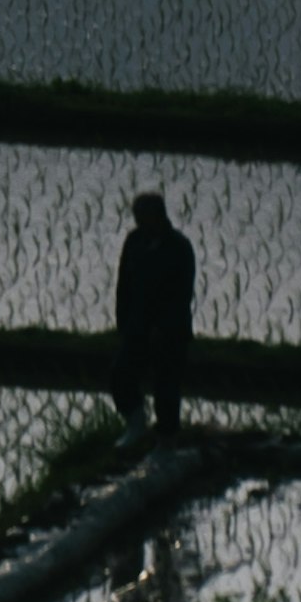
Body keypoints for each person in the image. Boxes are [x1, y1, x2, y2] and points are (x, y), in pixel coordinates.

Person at [113, 184, 196, 439]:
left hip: (170, 331)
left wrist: (163, 328)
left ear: (158, 217)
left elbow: (181, 295)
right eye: (136, 218)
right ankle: (136, 427)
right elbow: (123, 285)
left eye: (142, 218)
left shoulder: (179, 247)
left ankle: (167, 437)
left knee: (167, 388)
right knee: (120, 377)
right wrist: (123, 323)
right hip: (137, 325)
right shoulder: (135, 241)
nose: (138, 223)